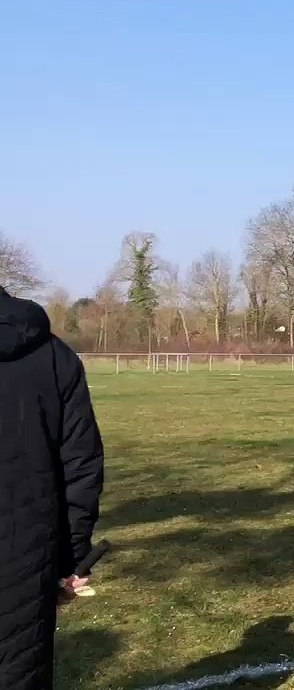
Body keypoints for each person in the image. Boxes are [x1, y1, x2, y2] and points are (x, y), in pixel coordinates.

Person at [0, 287, 105, 690]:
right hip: (26, 564)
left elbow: (80, 462)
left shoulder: (53, 356)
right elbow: (81, 465)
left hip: (24, 562)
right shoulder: (55, 355)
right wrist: (71, 558)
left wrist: (69, 562)